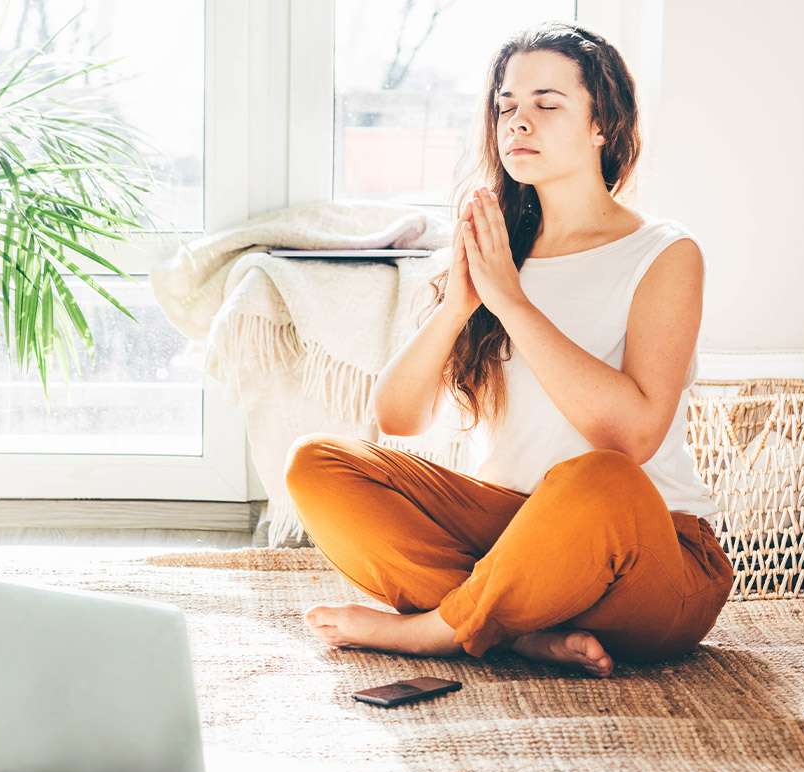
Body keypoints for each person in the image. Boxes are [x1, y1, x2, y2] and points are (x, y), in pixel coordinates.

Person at [284, 21, 732, 678]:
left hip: (648, 554)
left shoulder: (664, 253)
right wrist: (462, 303)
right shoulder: (496, 248)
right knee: (316, 466)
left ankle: (440, 629)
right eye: (507, 106)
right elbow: (398, 417)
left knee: (599, 476)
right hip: (513, 538)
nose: (519, 121)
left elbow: (629, 437)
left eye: (547, 104)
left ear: (601, 124)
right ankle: (519, 631)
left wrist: (513, 304)